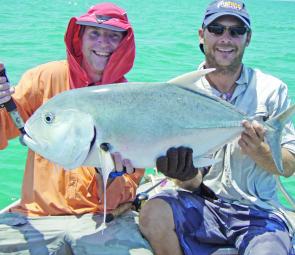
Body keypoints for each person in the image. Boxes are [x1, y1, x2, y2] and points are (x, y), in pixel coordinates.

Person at [139, 1, 295, 254]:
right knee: (151, 214)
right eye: (216, 29)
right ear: (202, 35)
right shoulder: (180, 92)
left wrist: (261, 151)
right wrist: (183, 173)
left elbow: (289, 166)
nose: (226, 38)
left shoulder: (272, 90)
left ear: (248, 38)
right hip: (200, 203)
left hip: (257, 212)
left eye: (236, 31)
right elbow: (191, 184)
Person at [0, 3, 152, 254]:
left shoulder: (131, 101)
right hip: (37, 216)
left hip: (102, 221)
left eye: (113, 36)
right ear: (79, 37)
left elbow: (122, 194)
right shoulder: (43, 78)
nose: (103, 44)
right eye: (94, 33)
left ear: (124, 43)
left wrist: (109, 175)